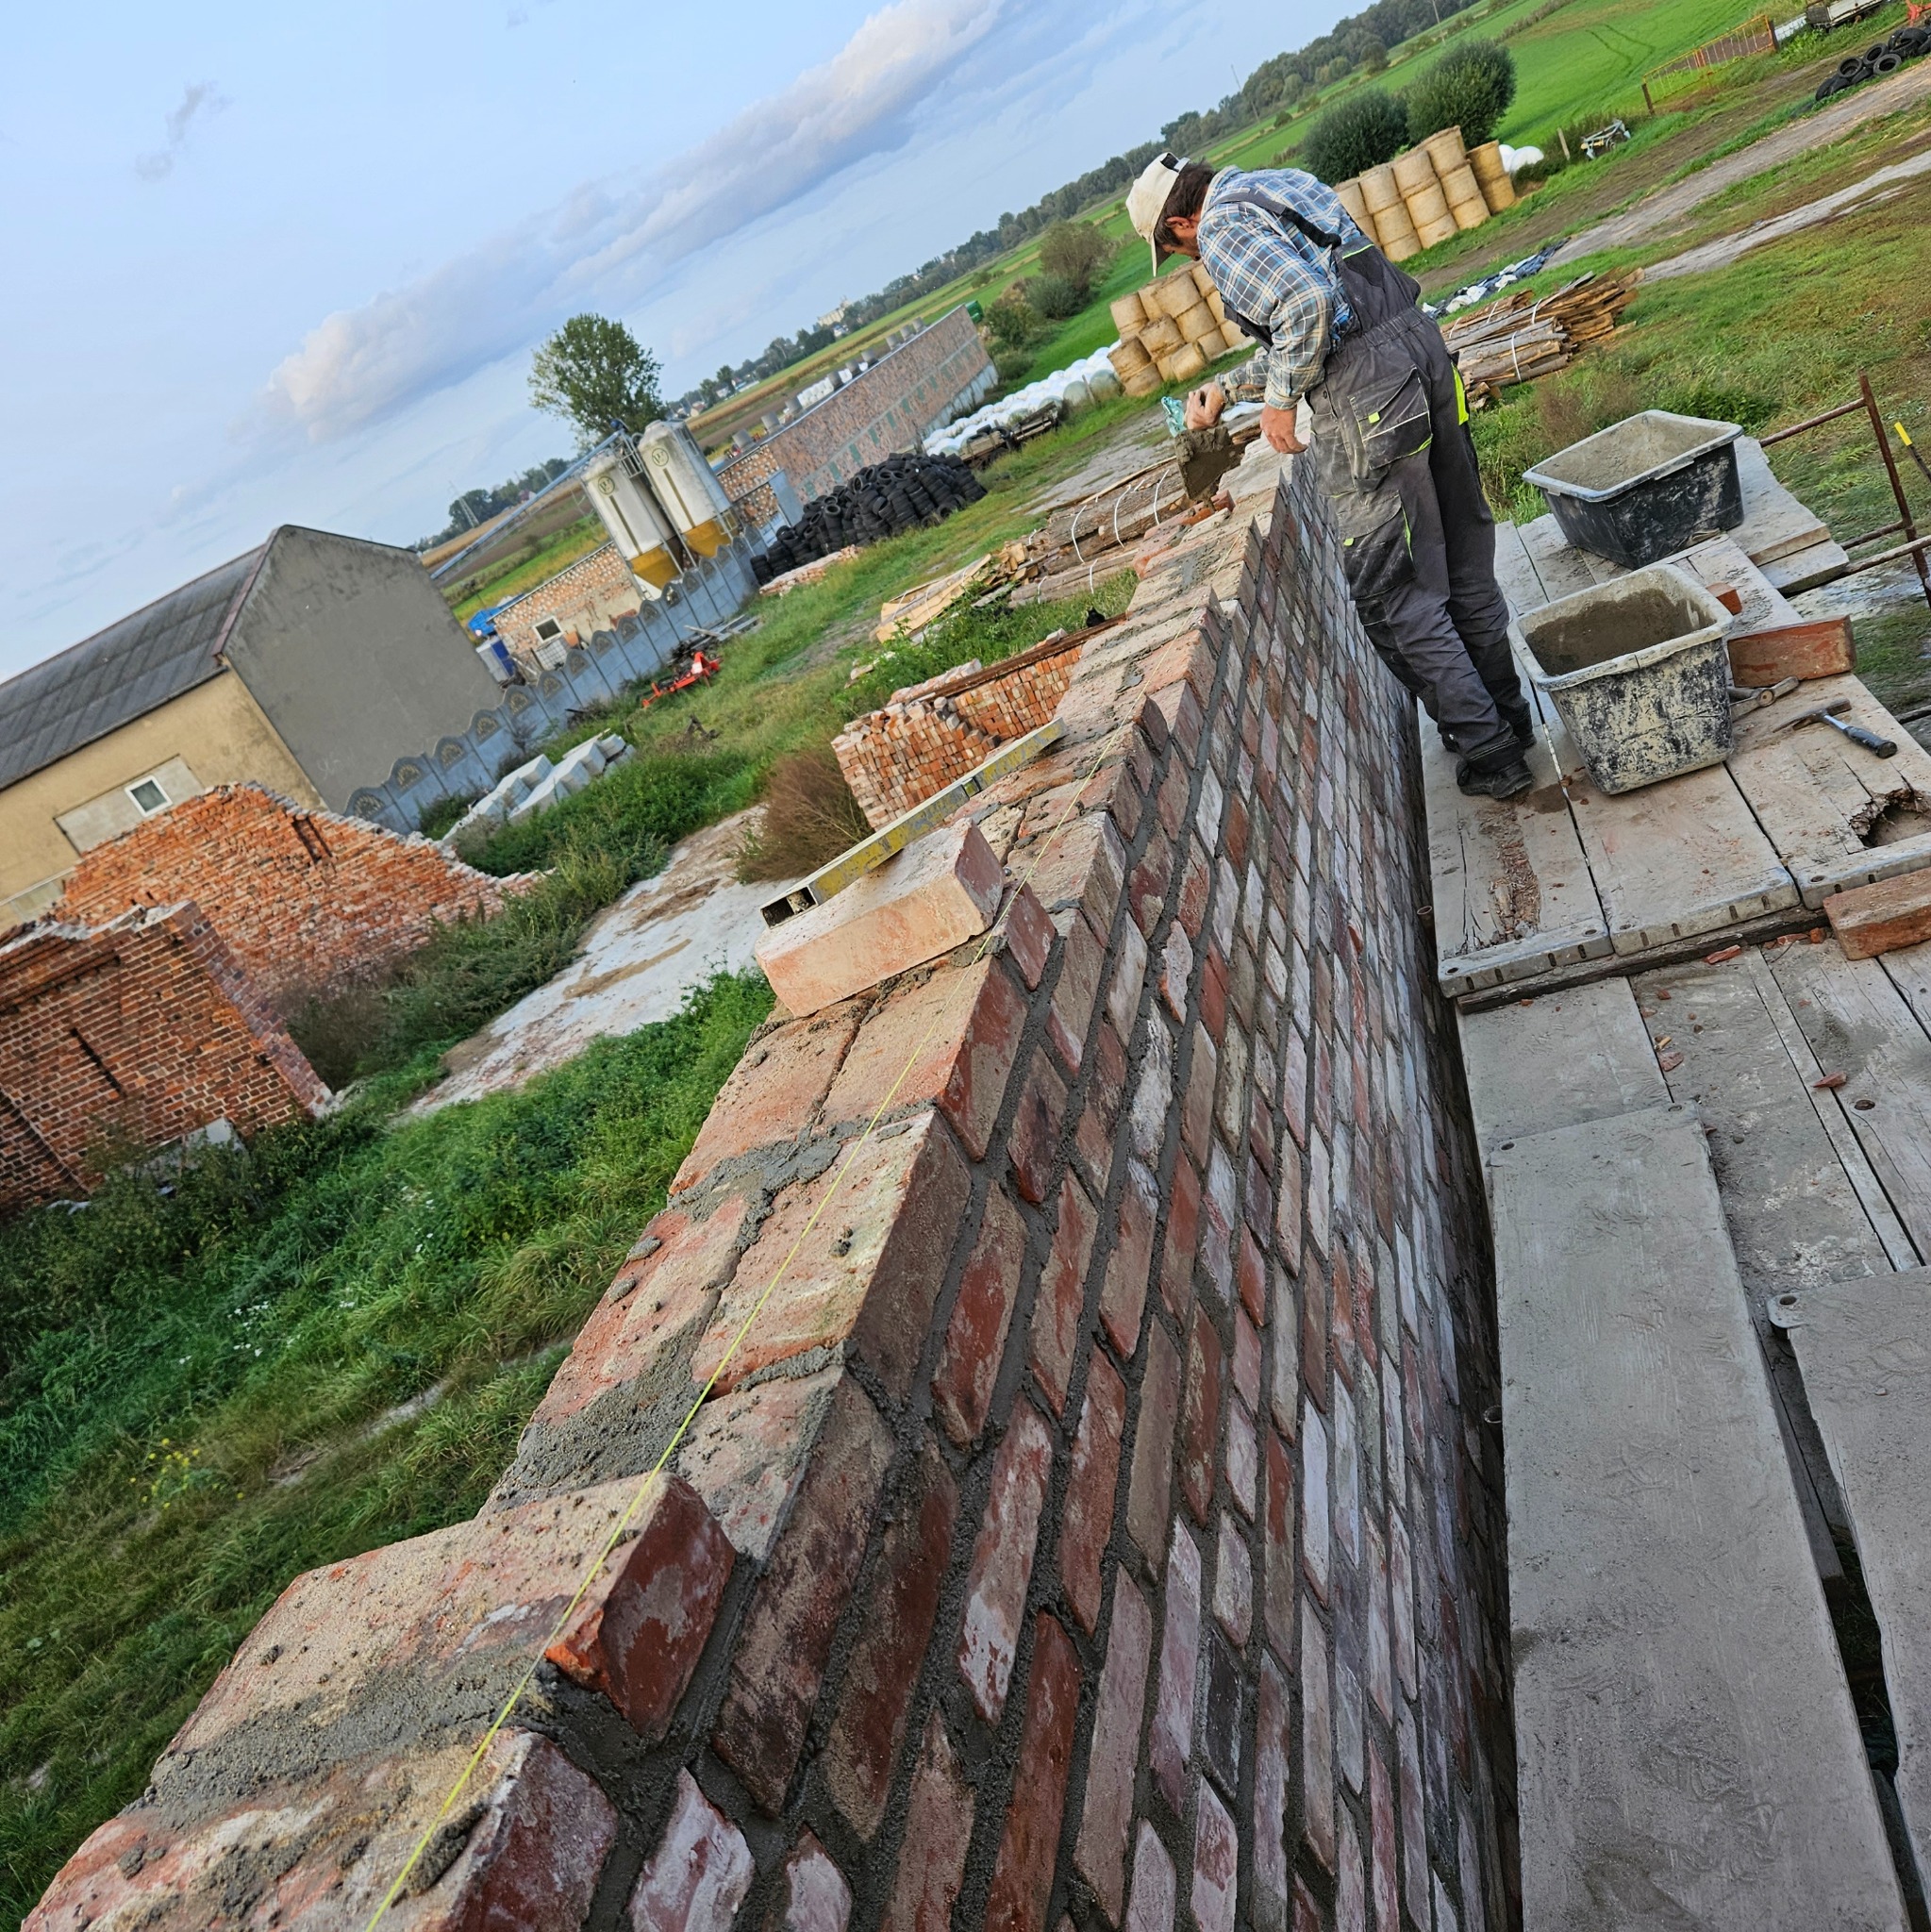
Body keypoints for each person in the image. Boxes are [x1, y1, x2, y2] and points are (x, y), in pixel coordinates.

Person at [1125, 154, 1536, 798]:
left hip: (1369, 395)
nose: (1191, 260)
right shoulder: (1279, 184)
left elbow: (1310, 308)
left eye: (1178, 250)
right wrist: (1229, 388)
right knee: (1462, 558)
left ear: (1180, 221)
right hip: (1421, 357)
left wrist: (1280, 401)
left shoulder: (1221, 230)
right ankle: (1510, 721)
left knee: (1394, 591)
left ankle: (1491, 753)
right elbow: (1336, 312)